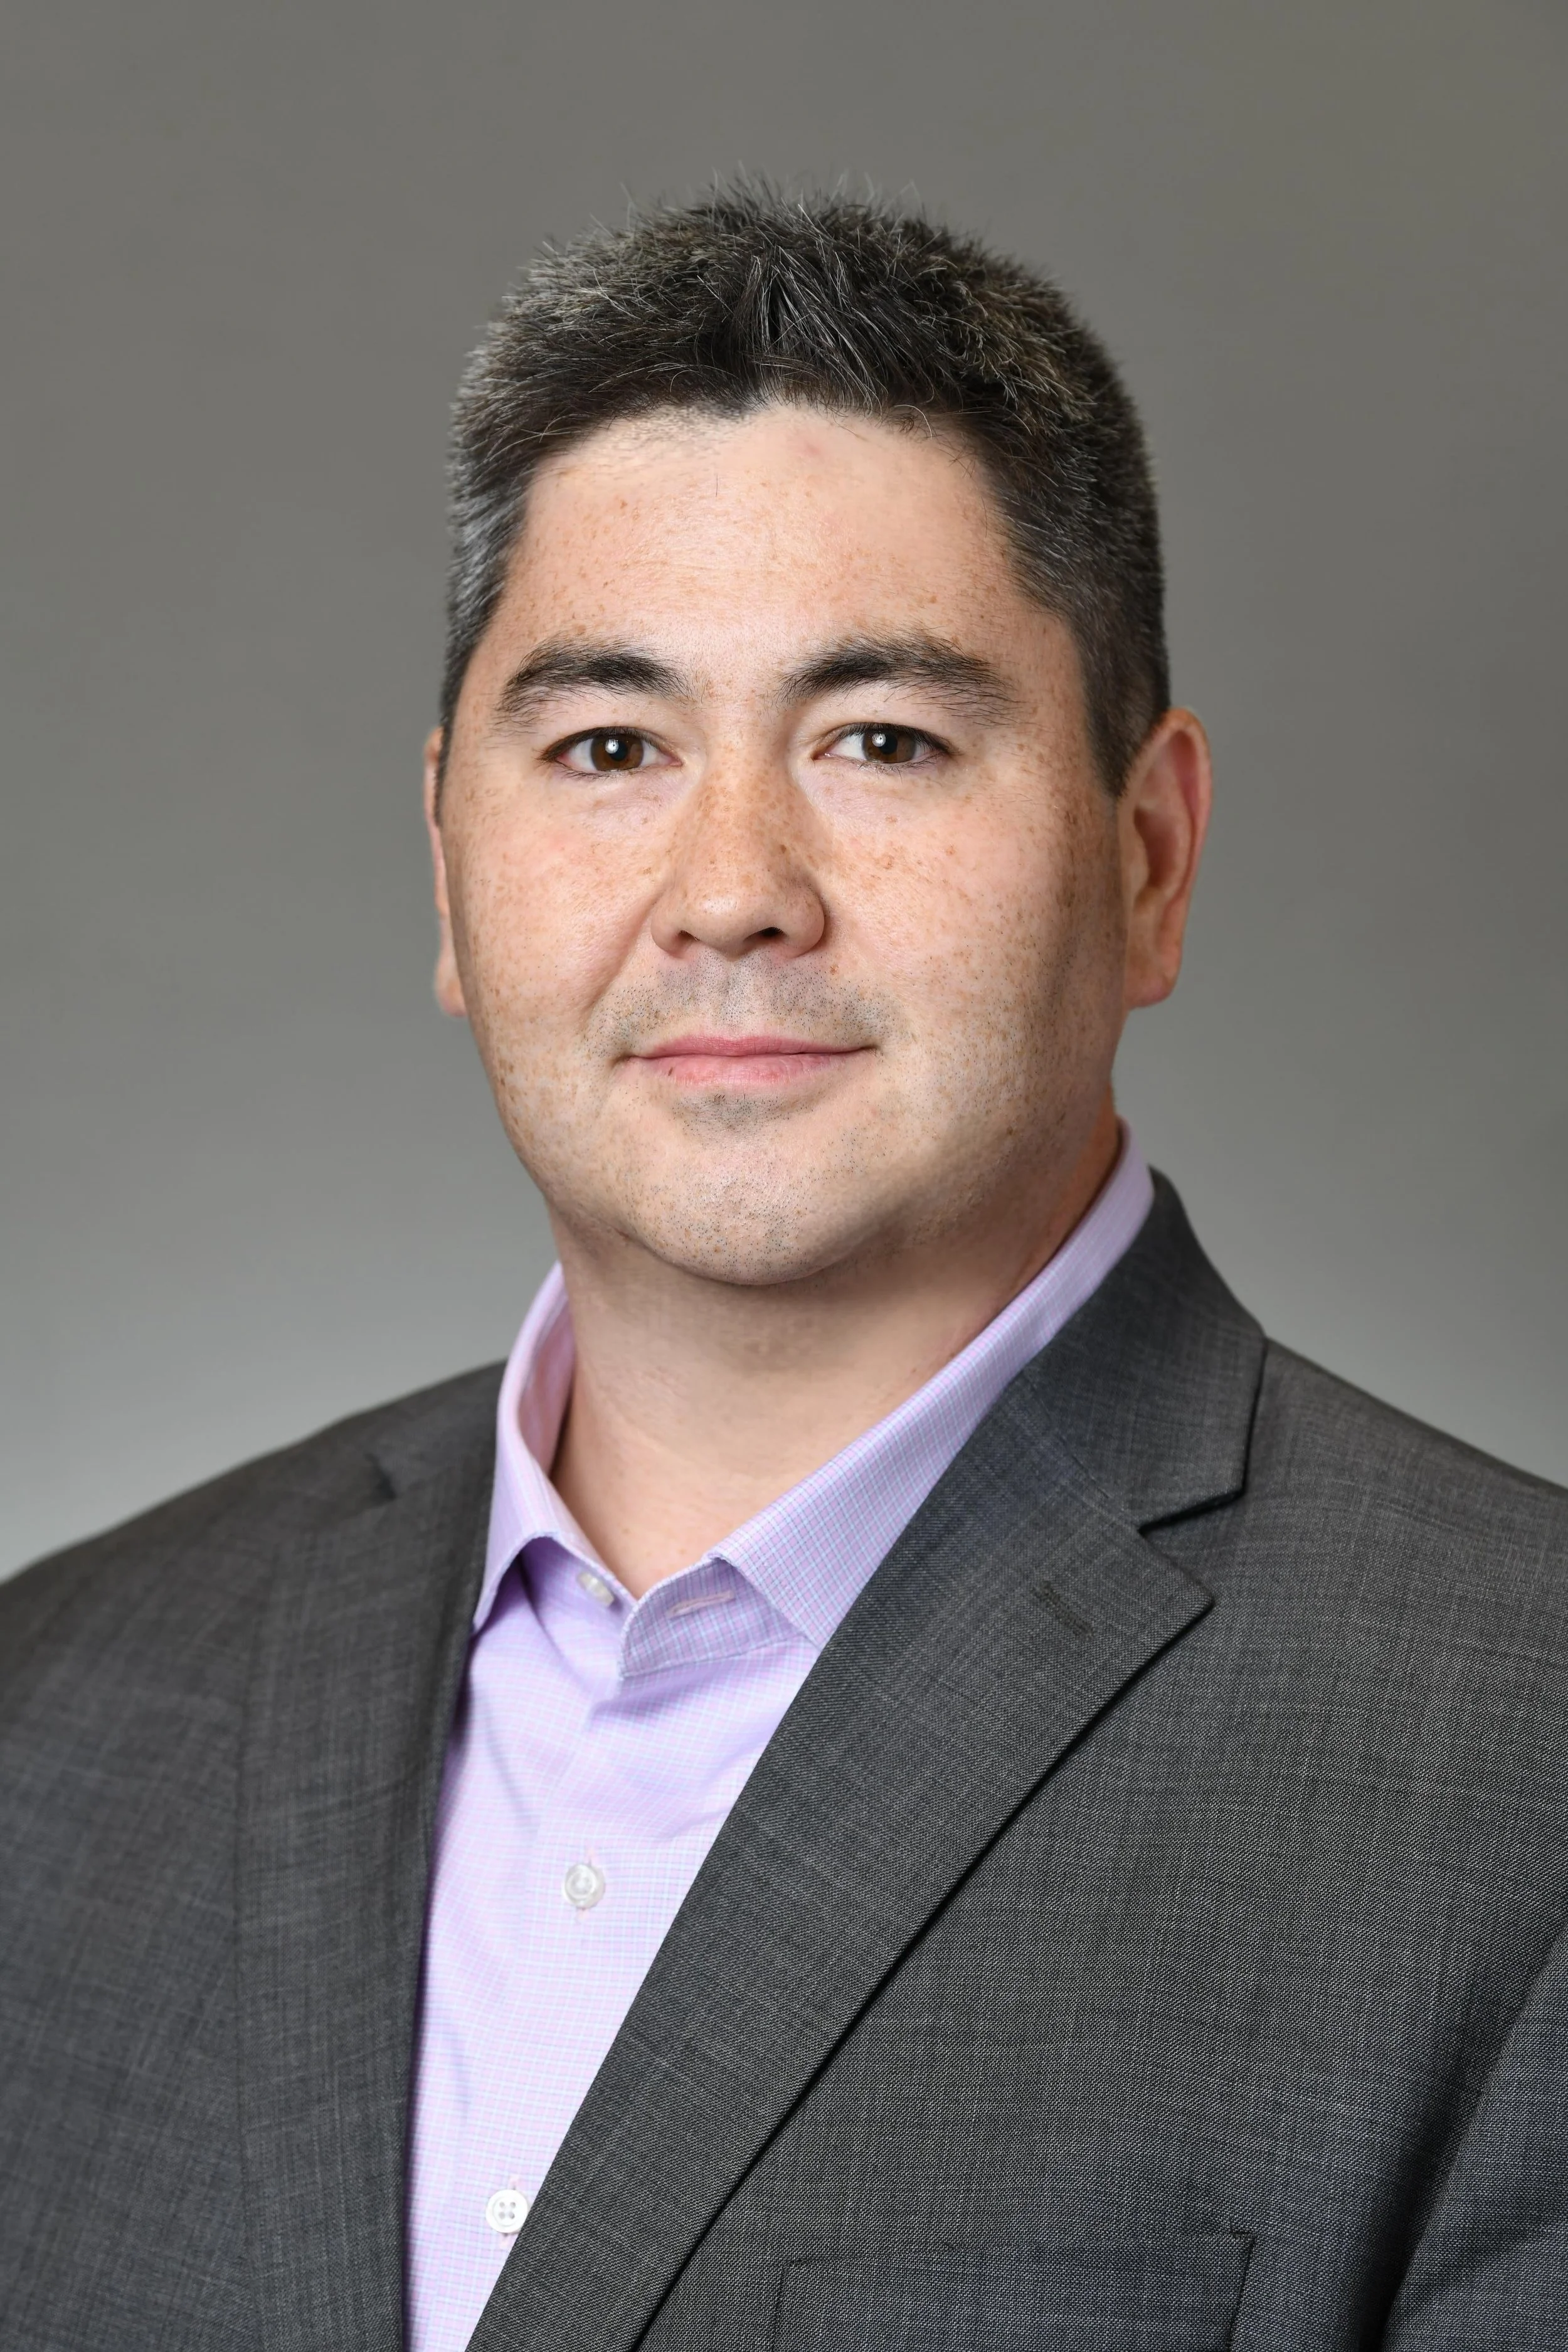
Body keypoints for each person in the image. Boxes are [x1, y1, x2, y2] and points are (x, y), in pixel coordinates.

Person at [2, 184, 1565, 2352]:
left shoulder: (1521, 1763)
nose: (731, 891)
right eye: (611, 748)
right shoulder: (53, 1706)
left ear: (1148, 856)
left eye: (882, 741)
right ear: (447, 865)